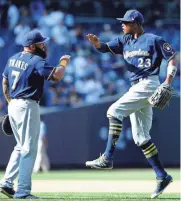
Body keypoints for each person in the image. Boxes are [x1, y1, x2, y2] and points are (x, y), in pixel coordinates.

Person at [85, 10, 177, 199]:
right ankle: (162, 176)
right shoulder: (124, 41)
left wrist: (168, 81)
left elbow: (172, 57)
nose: (122, 25)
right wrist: (97, 44)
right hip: (136, 85)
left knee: (113, 111)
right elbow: (104, 47)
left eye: (125, 22)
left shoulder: (154, 39)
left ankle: (107, 157)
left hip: (148, 83)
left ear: (135, 23)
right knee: (141, 138)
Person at [0, 29, 71, 199]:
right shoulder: (35, 60)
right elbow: (57, 76)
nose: (44, 45)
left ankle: (7, 184)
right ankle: (23, 192)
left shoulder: (12, 59)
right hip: (27, 105)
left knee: (20, 147)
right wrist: (63, 62)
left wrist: (11, 103)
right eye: (41, 43)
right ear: (32, 46)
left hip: (14, 103)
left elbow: (5, 82)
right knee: (29, 149)